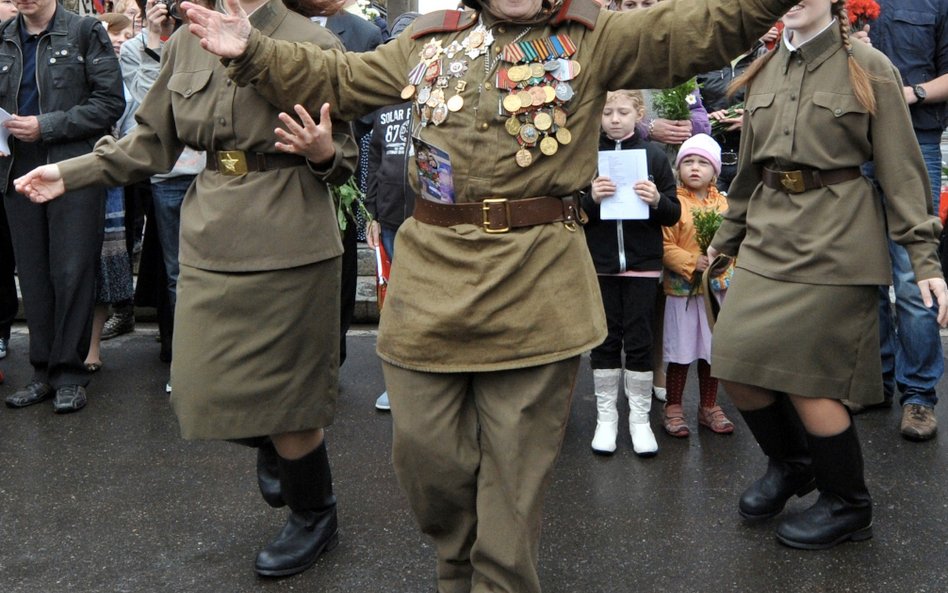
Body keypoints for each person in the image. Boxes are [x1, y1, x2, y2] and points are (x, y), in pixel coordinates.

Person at [24, 0, 808, 590]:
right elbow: (336, 77)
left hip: (538, 281)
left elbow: (711, 25)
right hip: (433, 280)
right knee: (428, 461)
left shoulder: (597, 36)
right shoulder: (428, 41)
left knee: (514, 471)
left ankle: (491, 580)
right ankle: (454, 559)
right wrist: (253, 50)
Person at [15, 0, 358, 577]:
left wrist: (325, 154)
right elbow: (150, 144)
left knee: (294, 401)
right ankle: (280, 444)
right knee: (195, 389)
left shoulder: (311, 43)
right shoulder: (185, 42)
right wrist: (70, 173)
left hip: (292, 234)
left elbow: (344, 158)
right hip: (212, 231)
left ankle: (313, 514)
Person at [708, 0, 948, 550]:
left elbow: (902, 171)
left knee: (810, 380)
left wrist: (925, 260)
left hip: (837, 241)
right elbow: (748, 172)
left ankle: (849, 504)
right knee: (733, 360)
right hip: (769, 237)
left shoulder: (869, 67)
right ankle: (793, 465)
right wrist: (723, 243)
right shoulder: (763, 66)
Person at [1, 0, 125, 413]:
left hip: (72, 166)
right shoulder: (3, 37)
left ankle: (69, 373)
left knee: (72, 269)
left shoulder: (85, 31)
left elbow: (110, 104)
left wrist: (46, 125)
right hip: (16, 167)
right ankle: (41, 372)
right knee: (33, 273)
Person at [850, 0, 948, 441]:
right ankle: (877, 381)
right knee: (863, 272)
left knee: (912, 276)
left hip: (916, 138)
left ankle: (920, 397)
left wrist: (910, 92)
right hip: (854, 143)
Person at [582, 89, 679, 456]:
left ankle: (639, 421)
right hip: (602, 265)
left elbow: (673, 213)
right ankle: (606, 420)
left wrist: (656, 200)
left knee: (640, 339)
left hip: (642, 264)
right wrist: (591, 197)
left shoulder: (653, 156)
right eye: (607, 112)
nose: (615, 119)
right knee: (605, 340)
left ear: (639, 113)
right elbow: (576, 212)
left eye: (623, 111)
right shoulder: (590, 157)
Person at [120, 0, 207, 390]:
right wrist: (156, 41)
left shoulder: (207, 33)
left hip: (214, 171)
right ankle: (183, 360)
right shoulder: (134, 47)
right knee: (176, 273)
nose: (166, 7)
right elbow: (148, 106)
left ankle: (216, 357)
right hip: (169, 174)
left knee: (216, 267)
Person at [363, 10, 420, 412]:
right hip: (391, 221)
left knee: (428, 302)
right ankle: (398, 382)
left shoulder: (442, 97)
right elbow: (376, 161)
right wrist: (371, 213)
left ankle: (430, 382)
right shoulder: (384, 105)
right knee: (395, 303)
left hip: (432, 221)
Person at [660, 133, 734, 437]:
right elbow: (664, 245)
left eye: (702, 162)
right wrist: (692, 262)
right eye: (688, 161)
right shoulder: (674, 204)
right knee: (681, 349)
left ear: (715, 171)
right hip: (682, 291)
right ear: (678, 168)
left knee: (711, 350)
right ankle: (674, 406)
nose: (694, 167)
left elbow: (735, 241)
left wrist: (721, 264)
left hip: (715, 292)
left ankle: (708, 406)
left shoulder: (725, 205)